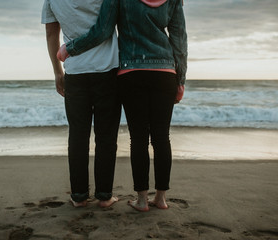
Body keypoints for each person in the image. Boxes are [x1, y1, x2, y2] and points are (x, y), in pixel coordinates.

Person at [58, 0, 187, 211]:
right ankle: (161, 198)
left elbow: (103, 30)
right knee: (162, 137)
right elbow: (180, 41)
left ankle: (143, 200)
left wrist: (69, 48)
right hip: (165, 72)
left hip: (130, 71)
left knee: (138, 138)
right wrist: (180, 80)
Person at [41, 0, 121, 208]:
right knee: (106, 137)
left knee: (77, 136)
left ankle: (79, 196)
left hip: (75, 72)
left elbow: (52, 35)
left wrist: (58, 71)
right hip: (108, 70)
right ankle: (104, 196)